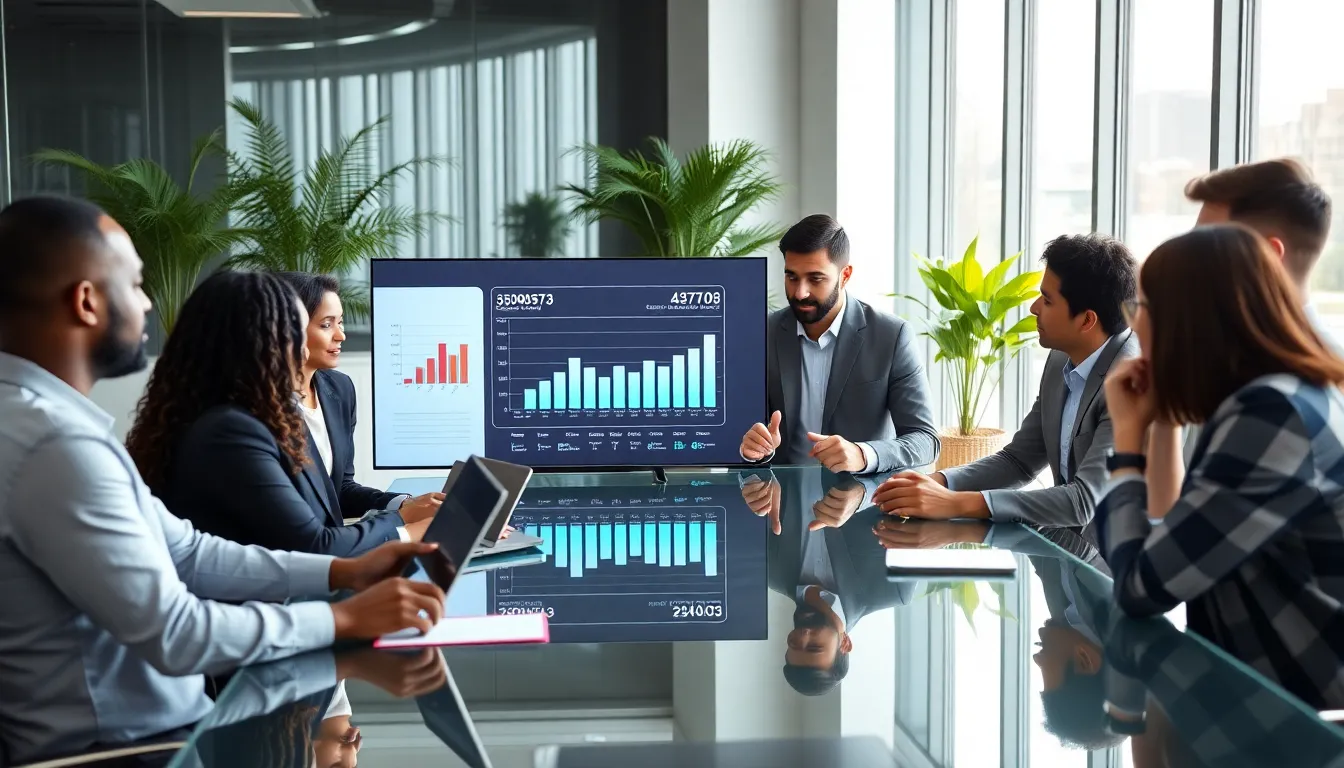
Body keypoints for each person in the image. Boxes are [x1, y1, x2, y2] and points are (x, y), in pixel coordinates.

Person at [0, 196, 446, 765]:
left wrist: (342, 570)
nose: (146, 304)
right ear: (87, 302)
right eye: (136, 284)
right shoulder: (53, 447)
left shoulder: (47, 426)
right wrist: (343, 616)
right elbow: (177, 633)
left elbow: (185, 550)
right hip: (127, 751)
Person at [1099, 223, 1344, 710]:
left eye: (1142, 308)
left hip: (1299, 728)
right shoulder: (1288, 395)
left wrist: (1128, 440)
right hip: (1270, 706)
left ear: (1191, 319)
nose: (1135, 325)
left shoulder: (1269, 415)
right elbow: (1169, 540)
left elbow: (1139, 586)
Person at [126, 271, 430, 557]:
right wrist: (405, 526)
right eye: (293, 330)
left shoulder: (253, 413)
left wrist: (405, 511)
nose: (301, 346)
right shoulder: (232, 430)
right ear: (257, 340)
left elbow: (331, 492)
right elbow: (314, 545)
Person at [871, 234, 1139, 530]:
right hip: (1068, 550)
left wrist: (955, 503)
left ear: (1087, 321)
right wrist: (938, 482)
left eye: (1047, 300)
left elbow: (1083, 503)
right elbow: (1019, 462)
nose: (1034, 308)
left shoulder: (1131, 384)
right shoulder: (1061, 359)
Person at [739, 214, 939, 474]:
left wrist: (864, 454)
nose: (800, 292)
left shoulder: (892, 337)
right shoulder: (763, 332)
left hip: (861, 504)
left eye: (816, 279)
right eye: (792, 277)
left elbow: (925, 440)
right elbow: (738, 433)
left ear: (845, 275)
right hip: (780, 504)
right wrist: (753, 447)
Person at [278, 272, 443, 525]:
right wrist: (401, 520)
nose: (340, 335)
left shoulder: (339, 389)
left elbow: (340, 490)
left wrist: (405, 503)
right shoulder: (264, 407)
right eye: (326, 324)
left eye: (341, 322)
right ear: (288, 328)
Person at [745, 469, 915, 695]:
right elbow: (916, 489)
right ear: (845, 644)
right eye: (815, 647)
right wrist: (863, 492)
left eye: (794, 645)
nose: (803, 635)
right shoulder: (891, 588)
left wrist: (754, 482)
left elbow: (746, 477)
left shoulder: (767, 570)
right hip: (862, 440)